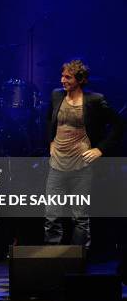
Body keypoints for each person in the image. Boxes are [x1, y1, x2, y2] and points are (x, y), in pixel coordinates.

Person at [44, 60, 123, 248]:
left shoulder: (95, 100)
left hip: (81, 166)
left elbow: (119, 125)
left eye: (67, 77)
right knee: (51, 215)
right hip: (57, 164)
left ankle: (78, 259)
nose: (62, 80)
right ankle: (51, 260)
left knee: (79, 216)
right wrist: (51, 142)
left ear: (80, 80)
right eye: (62, 76)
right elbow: (49, 120)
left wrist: (100, 149)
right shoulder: (56, 95)